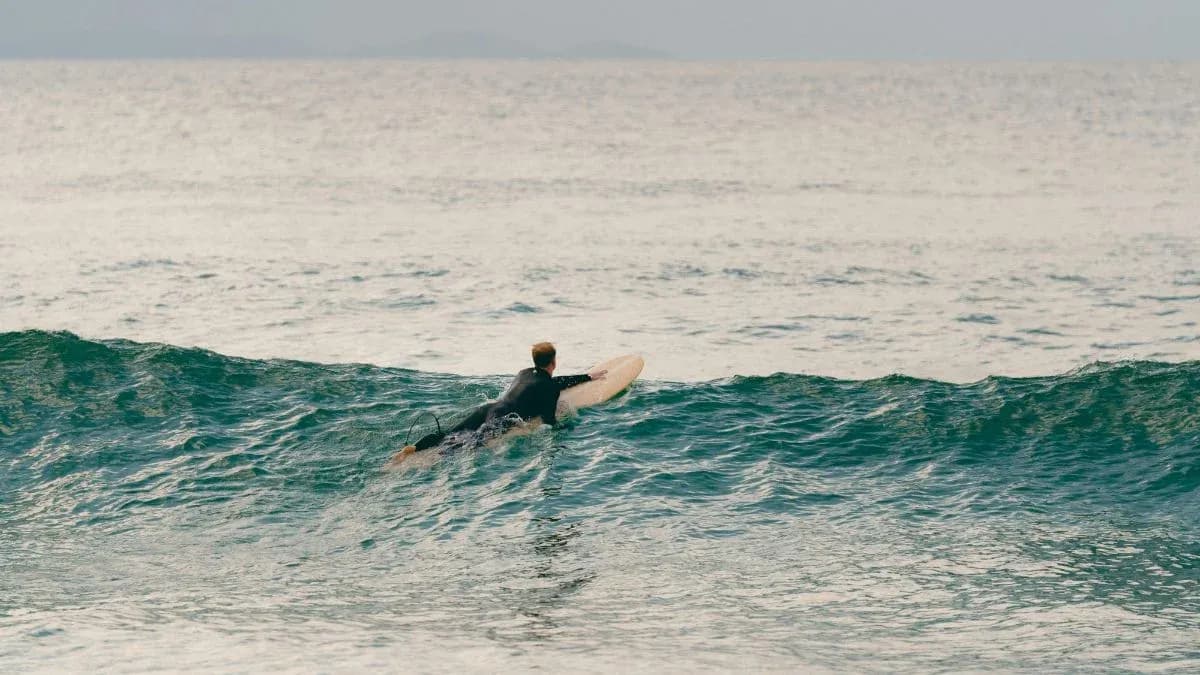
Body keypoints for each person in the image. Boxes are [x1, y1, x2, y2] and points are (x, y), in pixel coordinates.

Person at [390, 342, 605, 464]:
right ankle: (437, 458)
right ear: (554, 362)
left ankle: (414, 448)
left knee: (449, 433)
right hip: (503, 417)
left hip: (488, 408)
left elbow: (553, 382)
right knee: (472, 443)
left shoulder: (524, 373)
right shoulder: (549, 387)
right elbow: (549, 420)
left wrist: (586, 377)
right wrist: (563, 428)